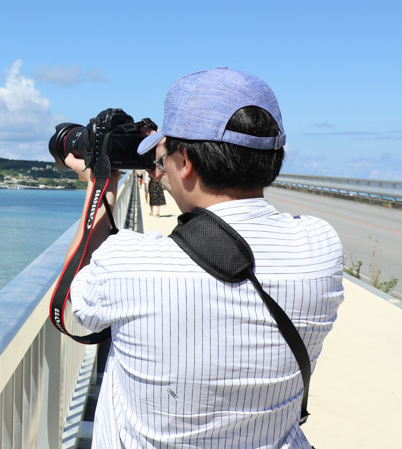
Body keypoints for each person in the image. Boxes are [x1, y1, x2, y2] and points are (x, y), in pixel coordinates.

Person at [60, 68, 343, 448]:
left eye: (165, 157)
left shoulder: (127, 263)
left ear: (187, 161)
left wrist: (102, 183)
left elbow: (72, 304)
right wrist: (167, 161)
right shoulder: (320, 247)